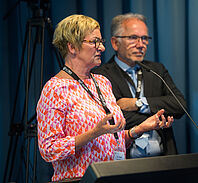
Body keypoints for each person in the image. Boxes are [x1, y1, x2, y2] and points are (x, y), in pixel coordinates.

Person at [36, 14, 174, 182]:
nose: (101, 48)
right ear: (72, 47)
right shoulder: (55, 89)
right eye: (94, 42)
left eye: (101, 42)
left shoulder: (102, 82)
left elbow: (111, 139)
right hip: (79, 179)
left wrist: (139, 129)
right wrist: (93, 133)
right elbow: (49, 150)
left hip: (114, 176)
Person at [92, 13, 187, 158]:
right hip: (125, 161)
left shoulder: (156, 70)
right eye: (133, 38)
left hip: (163, 159)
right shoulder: (101, 75)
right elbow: (112, 118)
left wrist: (139, 103)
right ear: (115, 43)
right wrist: (157, 118)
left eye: (144, 38)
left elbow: (179, 105)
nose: (140, 44)